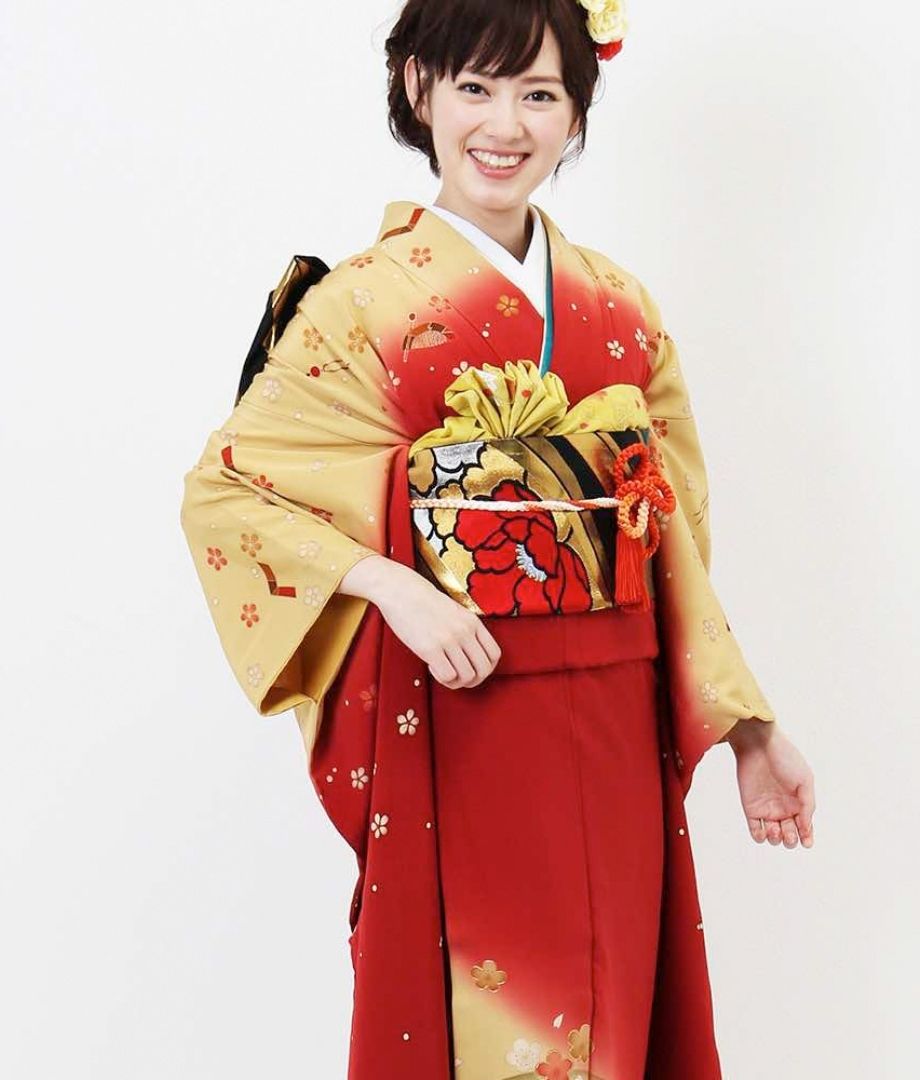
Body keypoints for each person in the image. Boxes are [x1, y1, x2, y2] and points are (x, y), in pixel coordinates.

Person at [180, 2, 816, 1077]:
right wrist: (395, 588)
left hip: (615, 723)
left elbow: (669, 533)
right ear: (418, 88)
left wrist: (751, 730)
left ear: (576, 112)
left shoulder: (622, 308)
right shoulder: (357, 305)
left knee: (618, 1010)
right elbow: (231, 492)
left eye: (540, 94)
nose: (505, 124)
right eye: (475, 87)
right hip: (460, 712)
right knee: (491, 1018)